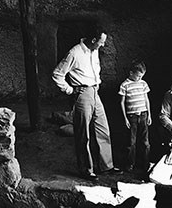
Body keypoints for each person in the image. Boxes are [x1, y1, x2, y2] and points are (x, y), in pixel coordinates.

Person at [52, 24, 121, 181]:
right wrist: (70, 90)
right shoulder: (74, 53)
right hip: (82, 93)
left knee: (103, 128)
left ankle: (106, 166)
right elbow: (57, 74)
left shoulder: (94, 50)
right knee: (83, 133)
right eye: (101, 42)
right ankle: (86, 169)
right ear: (93, 39)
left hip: (95, 92)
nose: (103, 45)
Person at [119, 60, 151, 177]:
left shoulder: (143, 84)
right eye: (137, 76)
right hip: (131, 117)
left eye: (141, 76)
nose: (139, 78)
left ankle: (145, 163)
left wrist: (149, 115)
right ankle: (130, 164)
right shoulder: (124, 85)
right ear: (131, 73)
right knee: (131, 142)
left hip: (143, 115)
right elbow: (122, 102)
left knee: (145, 142)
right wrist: (125, 118)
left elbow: (146, 100)